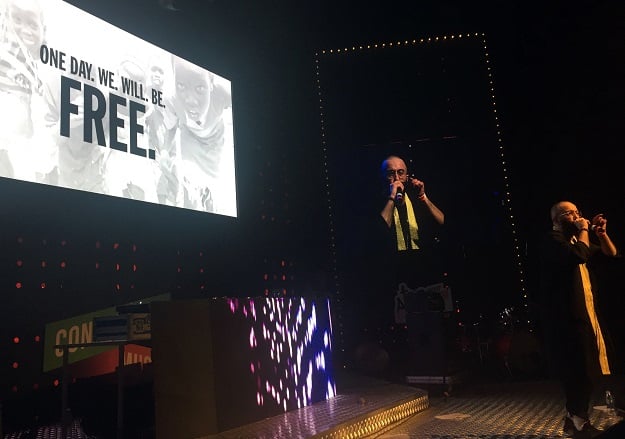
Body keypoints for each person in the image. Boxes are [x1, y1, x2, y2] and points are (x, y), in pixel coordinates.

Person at [539, 200, 622, 438]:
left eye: (578, 212)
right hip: (566, 320)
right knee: (579, 370)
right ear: (556, 219)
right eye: (569, 213)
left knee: (590, 368)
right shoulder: (552, 241)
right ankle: (577, 420)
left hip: (587, 315)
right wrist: (585, 230)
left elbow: (611, 254)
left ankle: (574, 418)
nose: (576, 216)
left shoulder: (577, 241)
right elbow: (578, 256)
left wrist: (601, 233)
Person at [379, 155, 445, 287]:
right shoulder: (378, 202)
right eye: (391, 173)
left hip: (422, 269)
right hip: (390, 272)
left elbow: (442, 221)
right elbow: (380, 228)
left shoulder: (415, 197)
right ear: (383, 177)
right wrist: (392, 197)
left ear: (407, 176)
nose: (397, 178)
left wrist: (423, 197)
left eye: (400, 173)